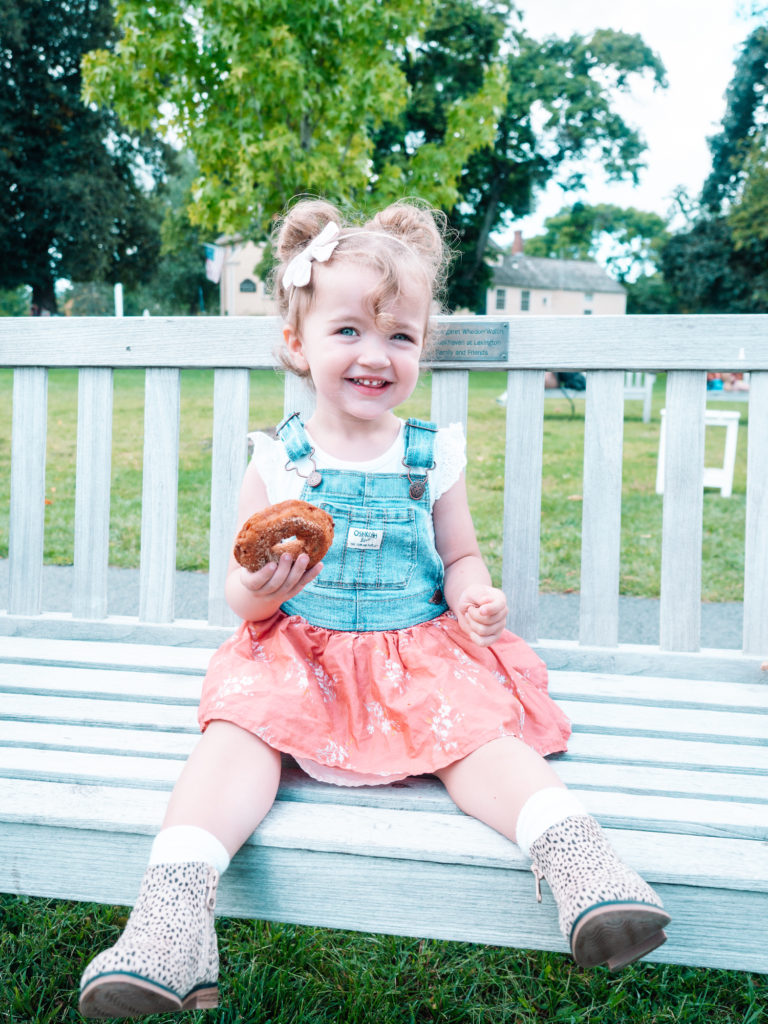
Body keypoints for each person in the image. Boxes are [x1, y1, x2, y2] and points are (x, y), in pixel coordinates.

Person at [78, 199, 670, 1018]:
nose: (375, 354)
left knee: (474, 737)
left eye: (399, 336)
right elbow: (239, 591)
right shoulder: (279, 461)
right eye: (348, 330)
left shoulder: (432, 454)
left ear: (422, 346)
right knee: (238, 735)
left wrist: (475, 598)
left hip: (416, 652)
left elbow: (458, 554)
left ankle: (582, 865)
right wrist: (263, 593)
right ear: (297, 343)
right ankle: (172, 921)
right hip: (299, 654)